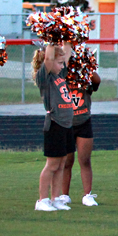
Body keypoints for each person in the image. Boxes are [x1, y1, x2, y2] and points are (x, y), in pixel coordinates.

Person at [34, 42, 76, 211]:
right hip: (55, 124)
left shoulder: (60, 76)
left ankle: (55, 198)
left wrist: (68, 34)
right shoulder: (45, 77)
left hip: (66, 125)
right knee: (52, 164)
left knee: (61, 163)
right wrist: (52, 38)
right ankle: (42, 200)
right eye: (59, 63)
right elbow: (50, 56)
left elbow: (67, 53)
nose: (62, 65)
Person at [59, 70, 101, 207]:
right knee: (67, 161)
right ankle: (64, 195)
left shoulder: (84, 74)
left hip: (83, 121)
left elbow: (97, 81)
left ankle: (87, 195)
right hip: (66, 123)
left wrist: (86, 66)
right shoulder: (61, 74)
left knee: (84, 159)